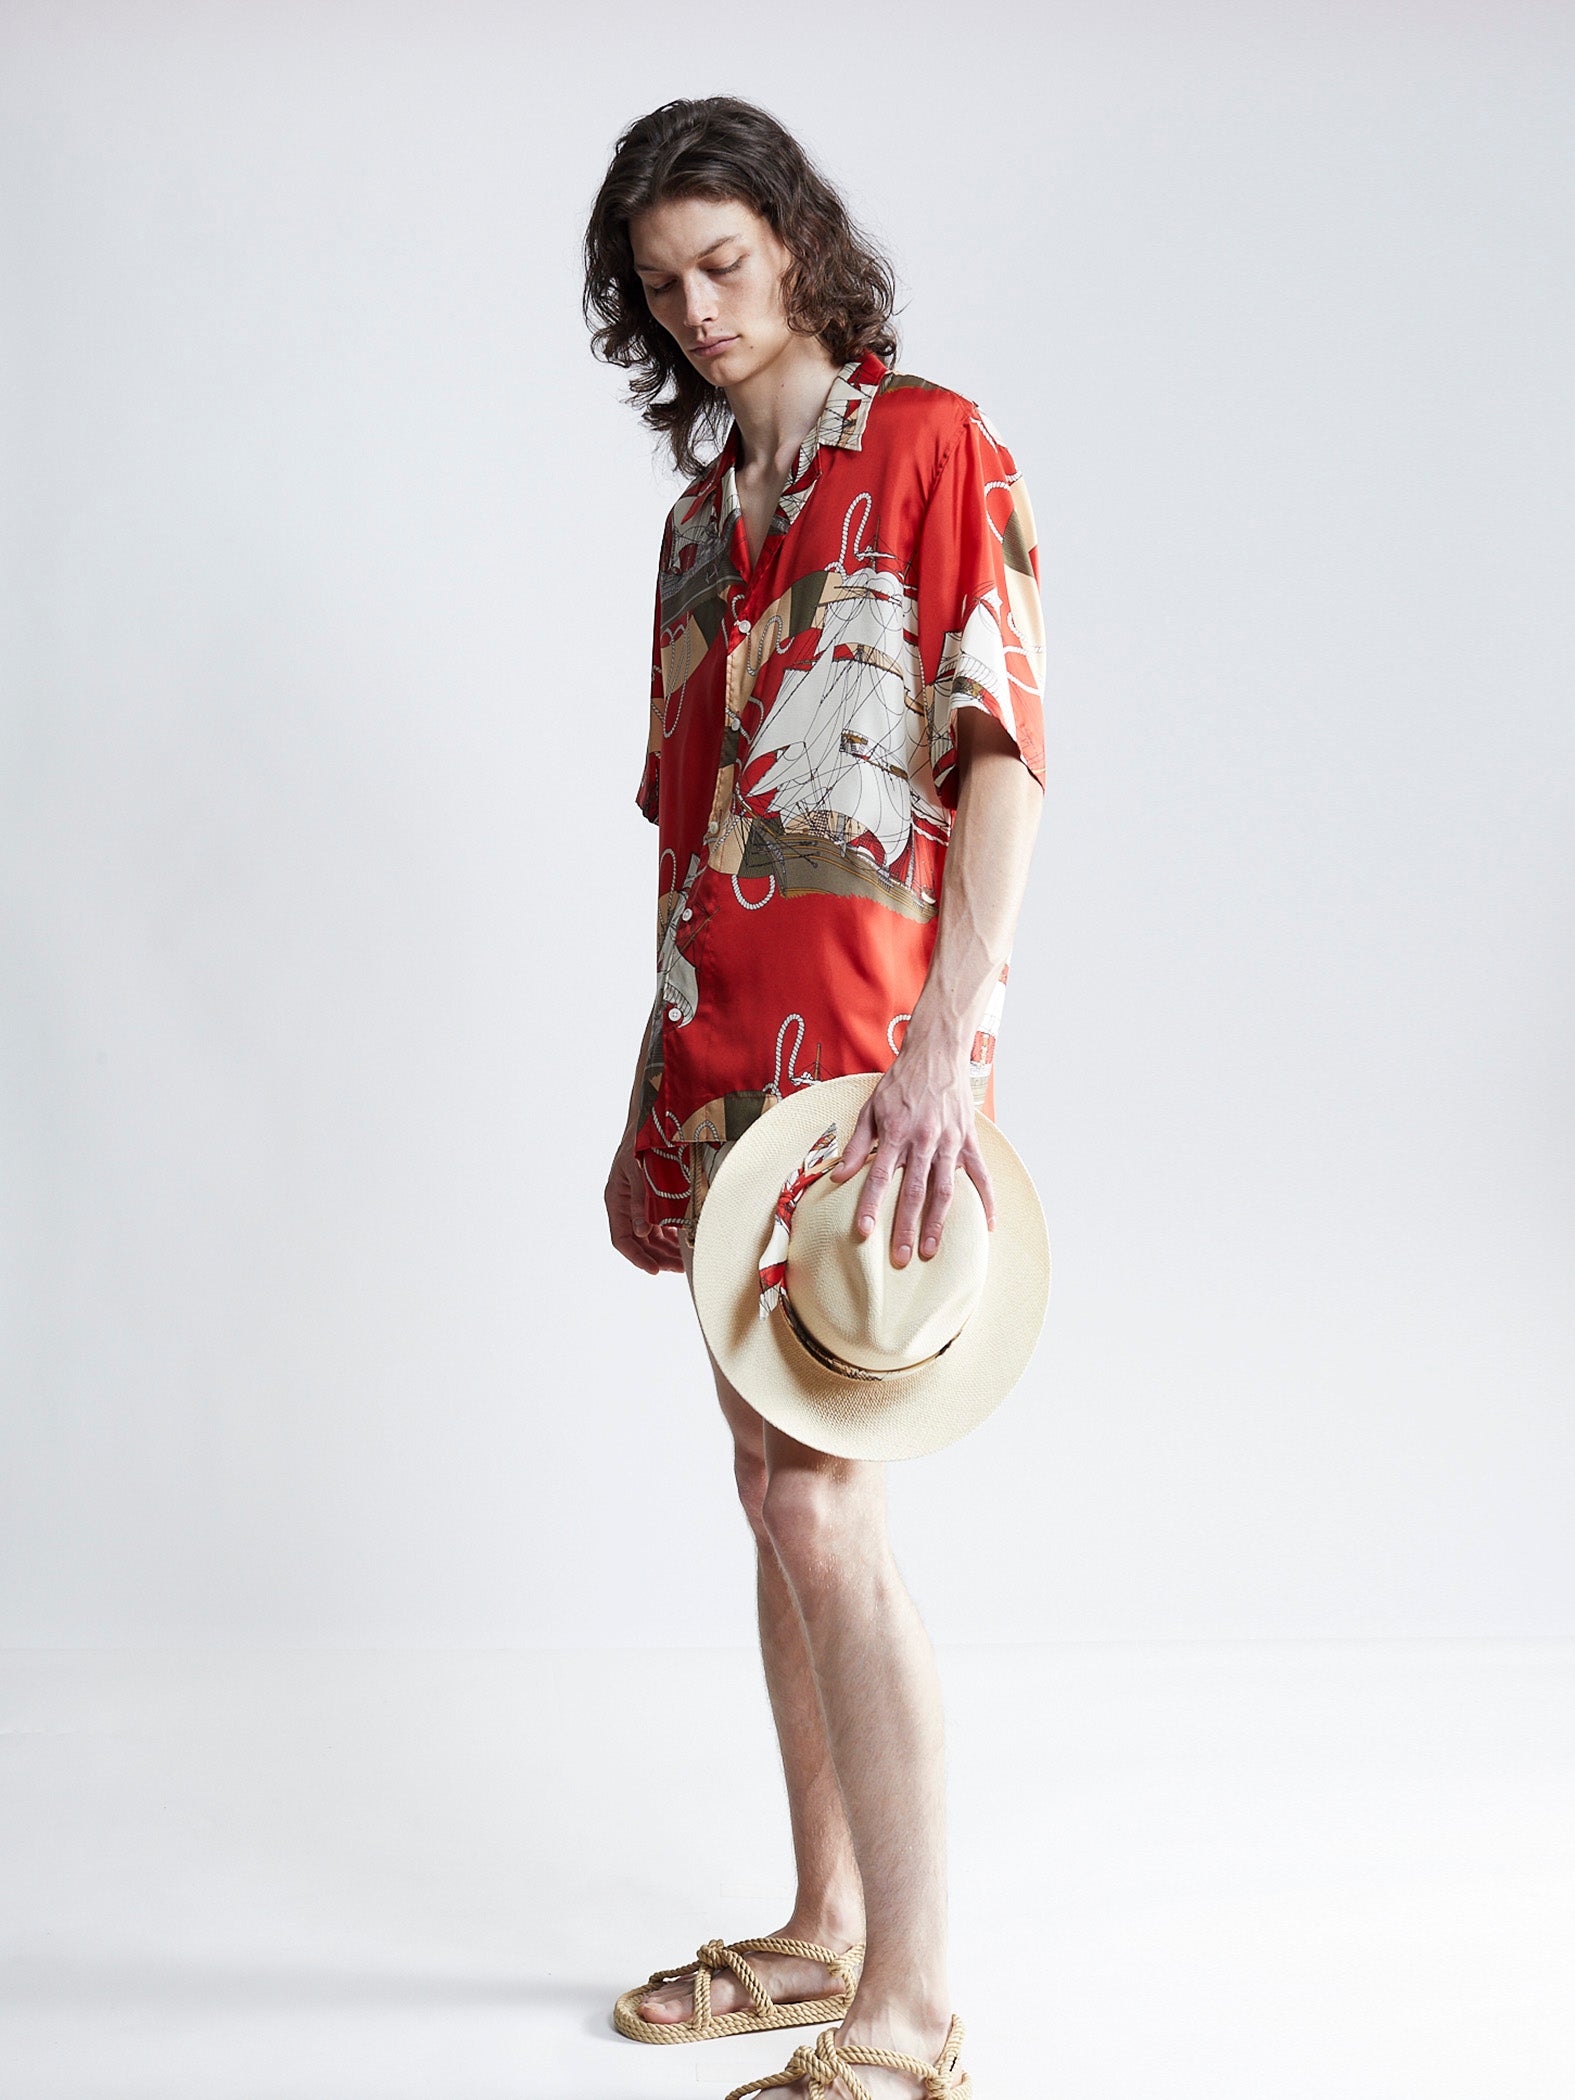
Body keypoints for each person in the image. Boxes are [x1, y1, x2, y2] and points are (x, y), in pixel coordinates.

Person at [583, 96, 1046, 2099]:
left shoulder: (929, 447)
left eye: (724, 263)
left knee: (818, 1496)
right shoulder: (695, 533)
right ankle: (820, 1927)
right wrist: (647, 1102)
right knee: (768, 1493)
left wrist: (946, 1043)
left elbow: (1001, 754)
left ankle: (911, 2014)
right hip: (716, 1078)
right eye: (660, 284)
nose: (696, 309)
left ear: (793, 243)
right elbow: (692, 845)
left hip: (869, 1068)